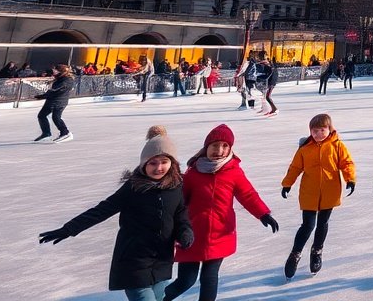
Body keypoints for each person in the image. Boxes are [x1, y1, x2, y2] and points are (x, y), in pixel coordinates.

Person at [38, 126, 193, 301]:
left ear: (172, 163)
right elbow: (101, 210)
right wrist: (68, 229)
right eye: (153, 163)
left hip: (162, 262)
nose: (159, 167)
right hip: (134, 262)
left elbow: (180, 215)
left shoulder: (175, 187)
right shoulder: (133, 188)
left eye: (164, 162)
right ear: (144, 164)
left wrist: (185, 231)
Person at [164, 124, 278, 301]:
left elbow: (248, 194)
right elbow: (179, 202)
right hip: (192, 235)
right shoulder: (193, 173)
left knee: (209, 277)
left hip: (220, 235)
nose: (219, 150)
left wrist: (263, 213)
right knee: (186, 280)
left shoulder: (234, 172)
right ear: (206, 147)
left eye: (225, 146)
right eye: (215, 145)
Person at [281, 113, 356, 279]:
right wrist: (287, 183)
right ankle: (295, 253)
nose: (318, 134)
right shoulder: (305, 148)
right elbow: (295, 167)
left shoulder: (337, 146)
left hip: (330, 191)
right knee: (308, 225)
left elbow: (346, 163)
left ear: (329, 129)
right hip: (309, 192)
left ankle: (317, 251)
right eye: (315, 131)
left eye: (322, 130)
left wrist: (350, 179)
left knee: (323, 223)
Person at [32, 64, 76, 144]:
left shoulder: (67, 80)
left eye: (56, 70)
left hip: (59, 102)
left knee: (56, 117)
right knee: (41, 115)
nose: (54, 71)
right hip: (51, 100)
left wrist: (43, 96)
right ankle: (46, 133)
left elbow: (55, 89)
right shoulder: (59, 77)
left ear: (60, 71)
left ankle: (65, 133)